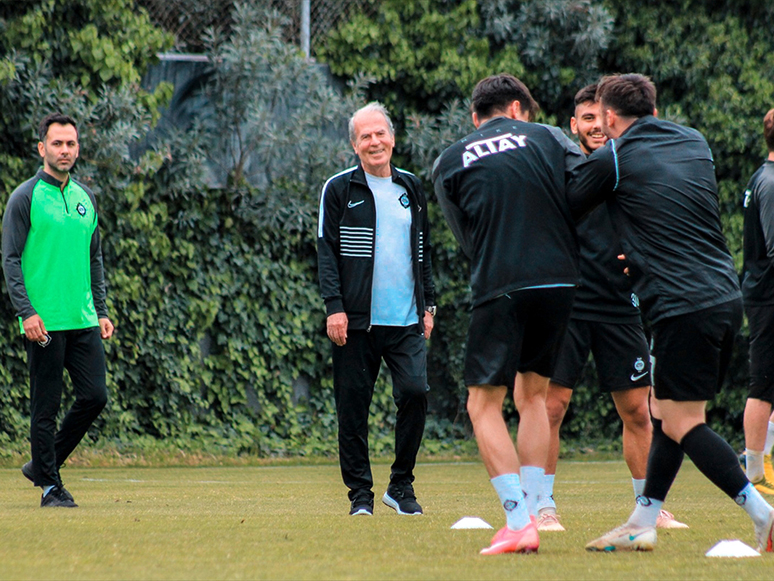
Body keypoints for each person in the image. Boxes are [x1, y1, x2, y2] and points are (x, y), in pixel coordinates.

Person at [567, 74, 774, 553]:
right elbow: (671, 209)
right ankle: (643, 520)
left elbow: (569, 206)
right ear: (655, 111)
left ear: (612, 118)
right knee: (664, 414)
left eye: (603, 119)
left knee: (682, 422)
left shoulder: (613, 157)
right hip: (725, 297)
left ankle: (762, 514)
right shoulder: (694, 141)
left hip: (681, 307)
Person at [432, 73, 581, 555]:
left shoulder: (450, 160)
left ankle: (518, 521)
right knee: (534, 397)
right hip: (560, 282)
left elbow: (466, 237)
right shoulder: (551, 137)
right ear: (518, 109)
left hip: (502, 284)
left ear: (477, 117)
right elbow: (581, 196)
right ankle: (539, 509)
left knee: (483, 404)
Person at [538, 85, 686, 532]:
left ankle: (649, 505)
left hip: (620, 305)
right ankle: (542, 506)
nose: (595, 126)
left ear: (612, 119)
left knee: (638, 412)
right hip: (567, 304)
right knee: (551, 408)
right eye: (585, 119)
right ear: (574, 127)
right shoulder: (562, 170)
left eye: (600, 117)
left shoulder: (632, 166)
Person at [317, 102, 435, 517]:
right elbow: (327, 252)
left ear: (392, 137)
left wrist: (429, 305)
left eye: (380, 133)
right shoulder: (339, 190)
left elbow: (423, 252)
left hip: (406, 320)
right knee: (352, 410)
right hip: (355, 323)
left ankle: (401, 486)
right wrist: (335, 308)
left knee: (415, 393)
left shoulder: (412, 188)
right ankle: (360, 496)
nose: (374, 141)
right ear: (354, 145)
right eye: (365, 136)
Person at [2, 112, 114, 508]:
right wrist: (26, 312)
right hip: (43, 323)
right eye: (57, 143)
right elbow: (10, 259)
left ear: (77, 148)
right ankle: (51, 487)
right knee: (44, 407)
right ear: (42, 148)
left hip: (83, 319)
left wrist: (100, 310)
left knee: (95, 396)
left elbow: (94, 258)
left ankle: (41, 465)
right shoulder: (25, 197)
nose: (64, 150)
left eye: (70, 144)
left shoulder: (86, 198)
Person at [741, 108, 774, 495]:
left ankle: (763, 460)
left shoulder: (760, 177)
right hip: (768, 296)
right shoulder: (769, 182)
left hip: (762, 291)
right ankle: (753, 472)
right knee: (762, 382)